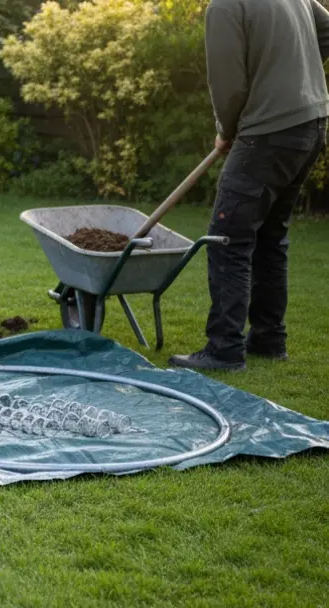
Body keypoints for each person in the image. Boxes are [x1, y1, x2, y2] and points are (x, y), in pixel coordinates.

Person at [169, 0, 329, 371]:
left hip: (268, 131)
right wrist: (289, 69)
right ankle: (269, 340)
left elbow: (228, 84)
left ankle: (224, 349)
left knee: (227, 239)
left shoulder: (225, 6)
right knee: (271, 235)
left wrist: (225, 130)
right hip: (313, 123)